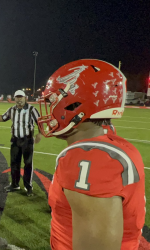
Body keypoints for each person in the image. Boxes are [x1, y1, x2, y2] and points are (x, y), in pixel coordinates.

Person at [37, 59, 145, 250]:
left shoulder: (87, 157)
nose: (49, 109)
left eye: (53, 101)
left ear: (75, 104)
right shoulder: (110, 143)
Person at [0, 90, 42, 196]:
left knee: (28, 164)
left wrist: (40, 134)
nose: (19, 99)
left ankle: (28, 187)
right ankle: (15, 184)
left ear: (25, 98)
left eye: (21, 97)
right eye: (17, 97)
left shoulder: (32, 109)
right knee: (14, 163)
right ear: (14, 98)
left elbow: (40, 122)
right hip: (15, 140)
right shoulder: (12, 110)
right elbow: (2, 118)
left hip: (27, 140)